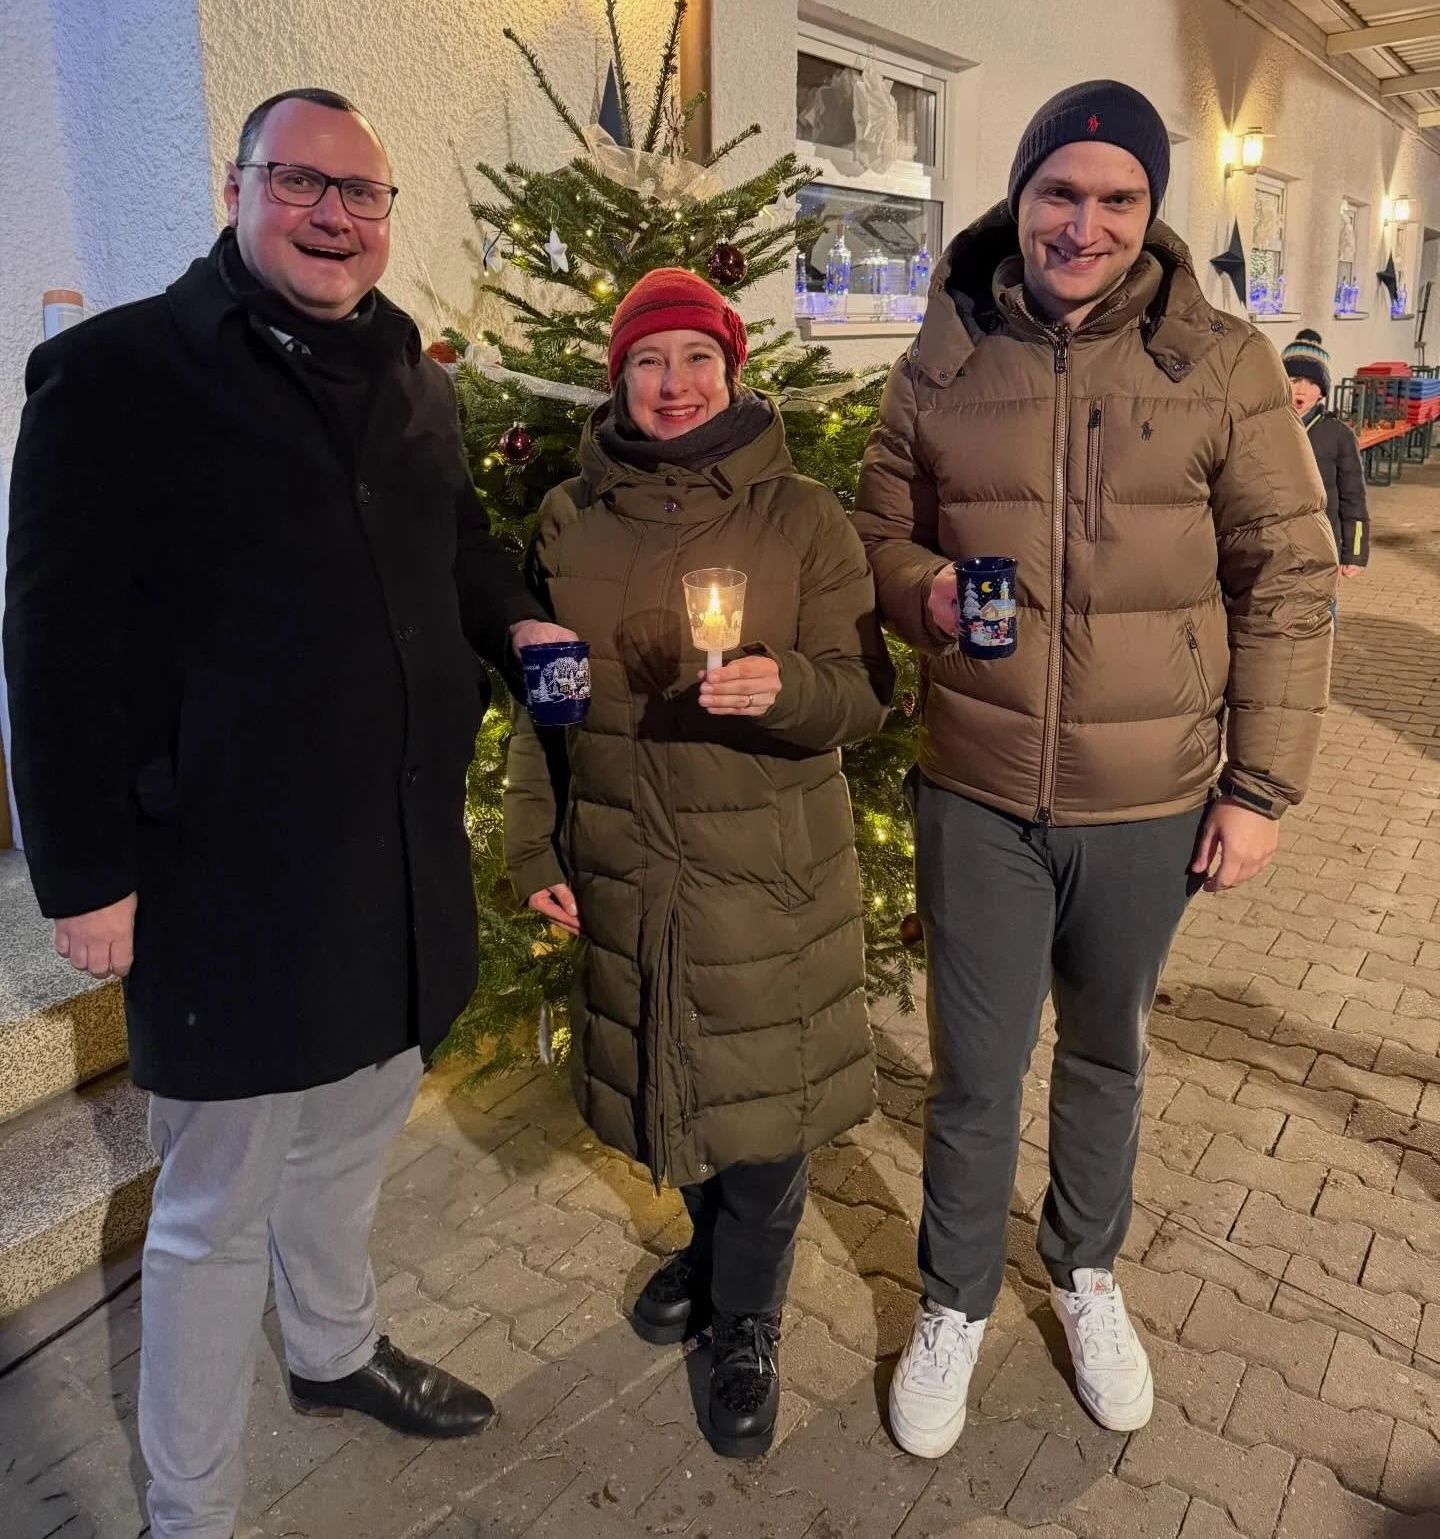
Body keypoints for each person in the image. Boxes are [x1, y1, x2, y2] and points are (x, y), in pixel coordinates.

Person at [4, 89, 577, 1539]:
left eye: (364, 195)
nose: (336, 217)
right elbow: (52, 642)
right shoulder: (117, 374)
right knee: (210, 1221)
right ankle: (191, 1514)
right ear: (237, 188)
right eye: (301, 184)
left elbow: (455, 543)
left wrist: (516, 626)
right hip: (225, 884)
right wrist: (82, 876)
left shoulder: (411, 377)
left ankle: (330, 1353)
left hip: (389, 865)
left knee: (353, 1142)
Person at [854, 80, 1336, 1459]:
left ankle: (1083, 1274)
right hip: (980, 785)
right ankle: (951, 1299)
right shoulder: (943, 356)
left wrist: (1260, 791)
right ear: (1019, 198)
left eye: (1118, 198)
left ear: (1151, 212)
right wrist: (925, 595)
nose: (1085, 224)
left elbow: (1289, 579)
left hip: (1153, 795)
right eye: (1060, 194)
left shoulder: (1223, 366)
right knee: (973, 1072)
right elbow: (878, 531)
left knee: (1109, 1053)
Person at [504, 267, 893, 1459]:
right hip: (626, 856)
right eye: (649, 364)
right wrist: (534, 843)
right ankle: (705, 1247)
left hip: (764, 876)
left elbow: (867, 694)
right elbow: (544, 709)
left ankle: (749, 1322)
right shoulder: (571, 520)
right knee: (672, 1080)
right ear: (619, 379)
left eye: (697, 362)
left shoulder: (803, 518)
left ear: (733, 373)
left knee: (765, 1121)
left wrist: (789, 689)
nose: (674, 387)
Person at [1282, 329, 1369, 610]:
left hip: (1322, 548)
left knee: (1320, 615)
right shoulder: (1265, 427)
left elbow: (1353, 497)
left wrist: (1354, 553)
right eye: (1294, 379)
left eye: (1311, 382)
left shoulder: (1338, 434)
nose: (1301, 389)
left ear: (1322, 391)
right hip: (1274, 547)